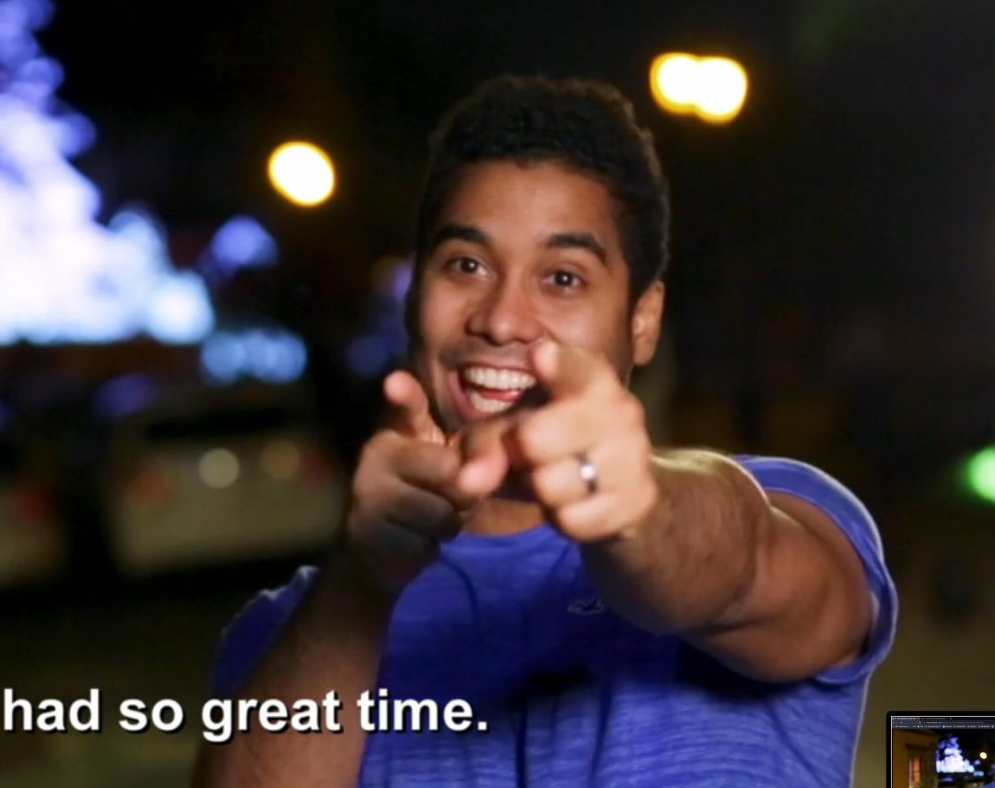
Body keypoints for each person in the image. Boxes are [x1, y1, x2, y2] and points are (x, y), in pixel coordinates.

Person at [193, 75, 897, 787]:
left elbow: (737, 562)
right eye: (466, 264)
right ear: (414, 301)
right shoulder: (290, 631)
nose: (500, 319)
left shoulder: (797, 514)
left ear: (643, 319)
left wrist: (636, 511)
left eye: (562, 277)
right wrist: (360, 583)